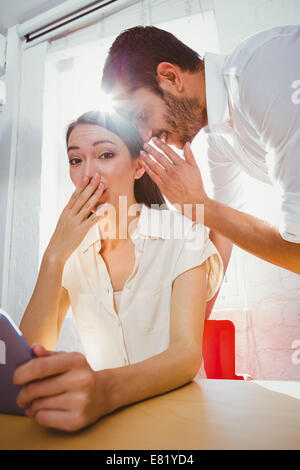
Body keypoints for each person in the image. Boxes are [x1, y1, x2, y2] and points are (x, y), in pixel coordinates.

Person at [14, 110, 223, 432]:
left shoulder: (183, 232)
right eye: (75, 160)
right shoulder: (71, 253)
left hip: (183, 417)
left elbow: (185, 355)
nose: (88, 175)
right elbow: (28, 359)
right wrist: (53, 255)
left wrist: (104, 389)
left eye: (106, 155)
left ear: (139, 166)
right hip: (107, 423)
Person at [100, 25, 300, 307]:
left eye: (141, 115)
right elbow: (224, 233)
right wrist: (195, 328)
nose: (145, 137)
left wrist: (200, 205)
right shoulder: (220, 142)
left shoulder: (262, 77)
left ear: (170, 77)